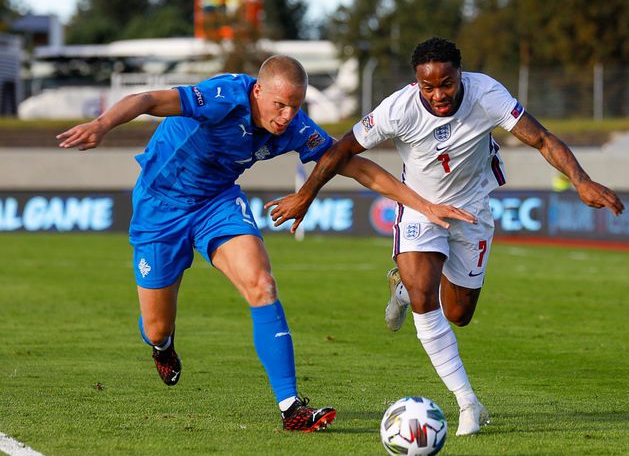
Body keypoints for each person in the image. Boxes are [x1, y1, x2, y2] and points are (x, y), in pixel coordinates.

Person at [57, 55, 475, 432]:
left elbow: (352, 166)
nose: (288, 116)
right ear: (258, 92)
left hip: (217, 204)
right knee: (157, 326)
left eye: (296, 106)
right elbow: (149, 99)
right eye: (280, 105)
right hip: (159, 207)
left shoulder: (294, 126)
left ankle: (290, 406)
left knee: (262, 284)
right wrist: (101, 124)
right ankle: (162, 345)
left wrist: (424, 204)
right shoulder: (221, 97)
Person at [267, 38, 625, 436]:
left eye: (446, 84)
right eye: (428, 86)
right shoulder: (397, 109)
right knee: (425, 297)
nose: (438, 94)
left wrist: (582, 181)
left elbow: (541, 138)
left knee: (458, 314)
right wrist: (306, 195)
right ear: (416, 81)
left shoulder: (487, 93)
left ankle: (401, 290)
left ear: (460, 75)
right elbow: (341, 150)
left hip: (472, 211)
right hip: (420, 207)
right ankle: (467, 401)